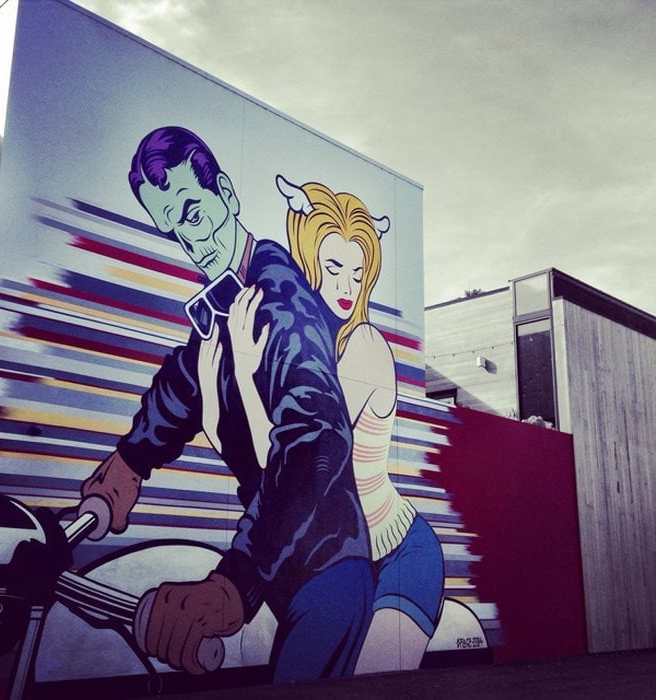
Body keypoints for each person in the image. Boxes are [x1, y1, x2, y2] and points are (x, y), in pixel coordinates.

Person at [80, 127, 373, 681]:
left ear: (229, 196)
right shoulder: (226, 300)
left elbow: (314, 444)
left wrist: (234, 583)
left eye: (193, 214)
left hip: (327, 566)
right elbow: (185, 380)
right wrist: (129, 461)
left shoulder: (282, 304)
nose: (192, 242)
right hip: (278, 562)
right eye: (173, 229)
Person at [218, 176, 444, 673]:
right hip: (336, 557)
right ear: (309, 265)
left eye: (358, 274)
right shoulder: (307, 348)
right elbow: (264, 452)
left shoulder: (365, 348)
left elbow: (291, 458)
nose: (346, 287)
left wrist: (248, 372)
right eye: (334, 268)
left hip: (400, 556)